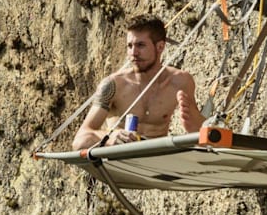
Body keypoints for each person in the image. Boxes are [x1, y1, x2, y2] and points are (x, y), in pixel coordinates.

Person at [71, 14, 204, 149]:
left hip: (155, 159)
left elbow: (199, 128)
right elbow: (79, 141)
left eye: (140, 45)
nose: (133, 53)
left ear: (160, 47)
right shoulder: (114, 85)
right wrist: (108, 138)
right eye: (129, 46)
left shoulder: (180, 82)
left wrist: (196, 127)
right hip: (118, 158)